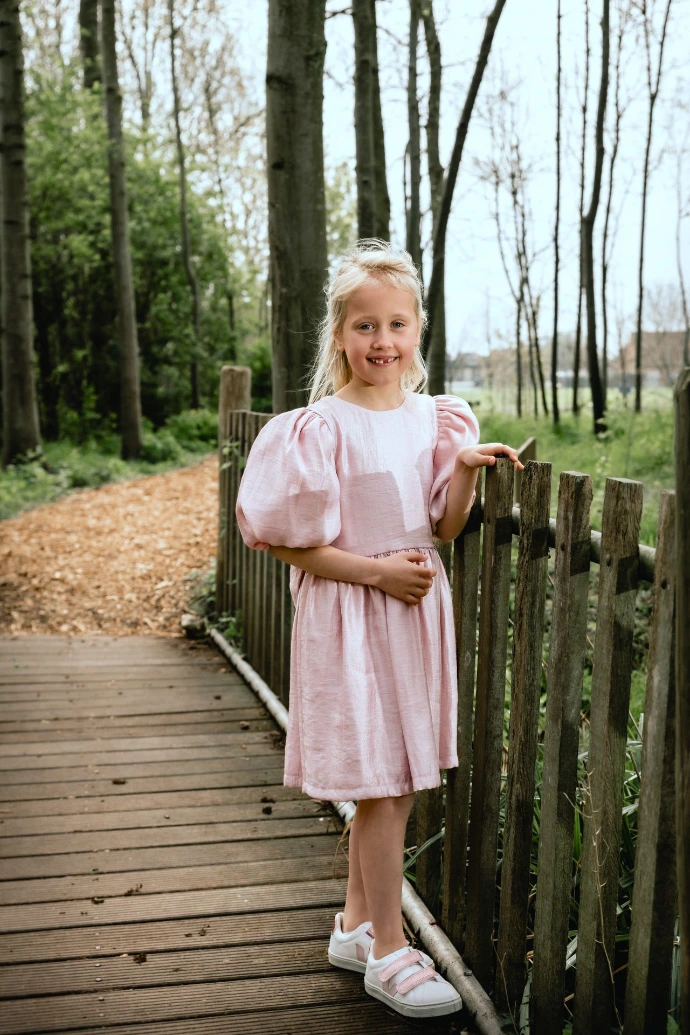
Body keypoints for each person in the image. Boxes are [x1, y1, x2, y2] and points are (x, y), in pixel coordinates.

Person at [235, 240, 524, 1019]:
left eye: (397, 324)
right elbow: (285, 541)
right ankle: (393, 951)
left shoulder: (436, 417)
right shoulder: (318, 428)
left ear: (418, 331)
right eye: (365, 326)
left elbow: (443, 525)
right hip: (353, 616)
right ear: (339, 335)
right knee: (381, 785)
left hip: (413, 618)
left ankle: (357, 924)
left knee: (394, 777)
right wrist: (378, 574)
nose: (382, 341)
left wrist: (463, 466)